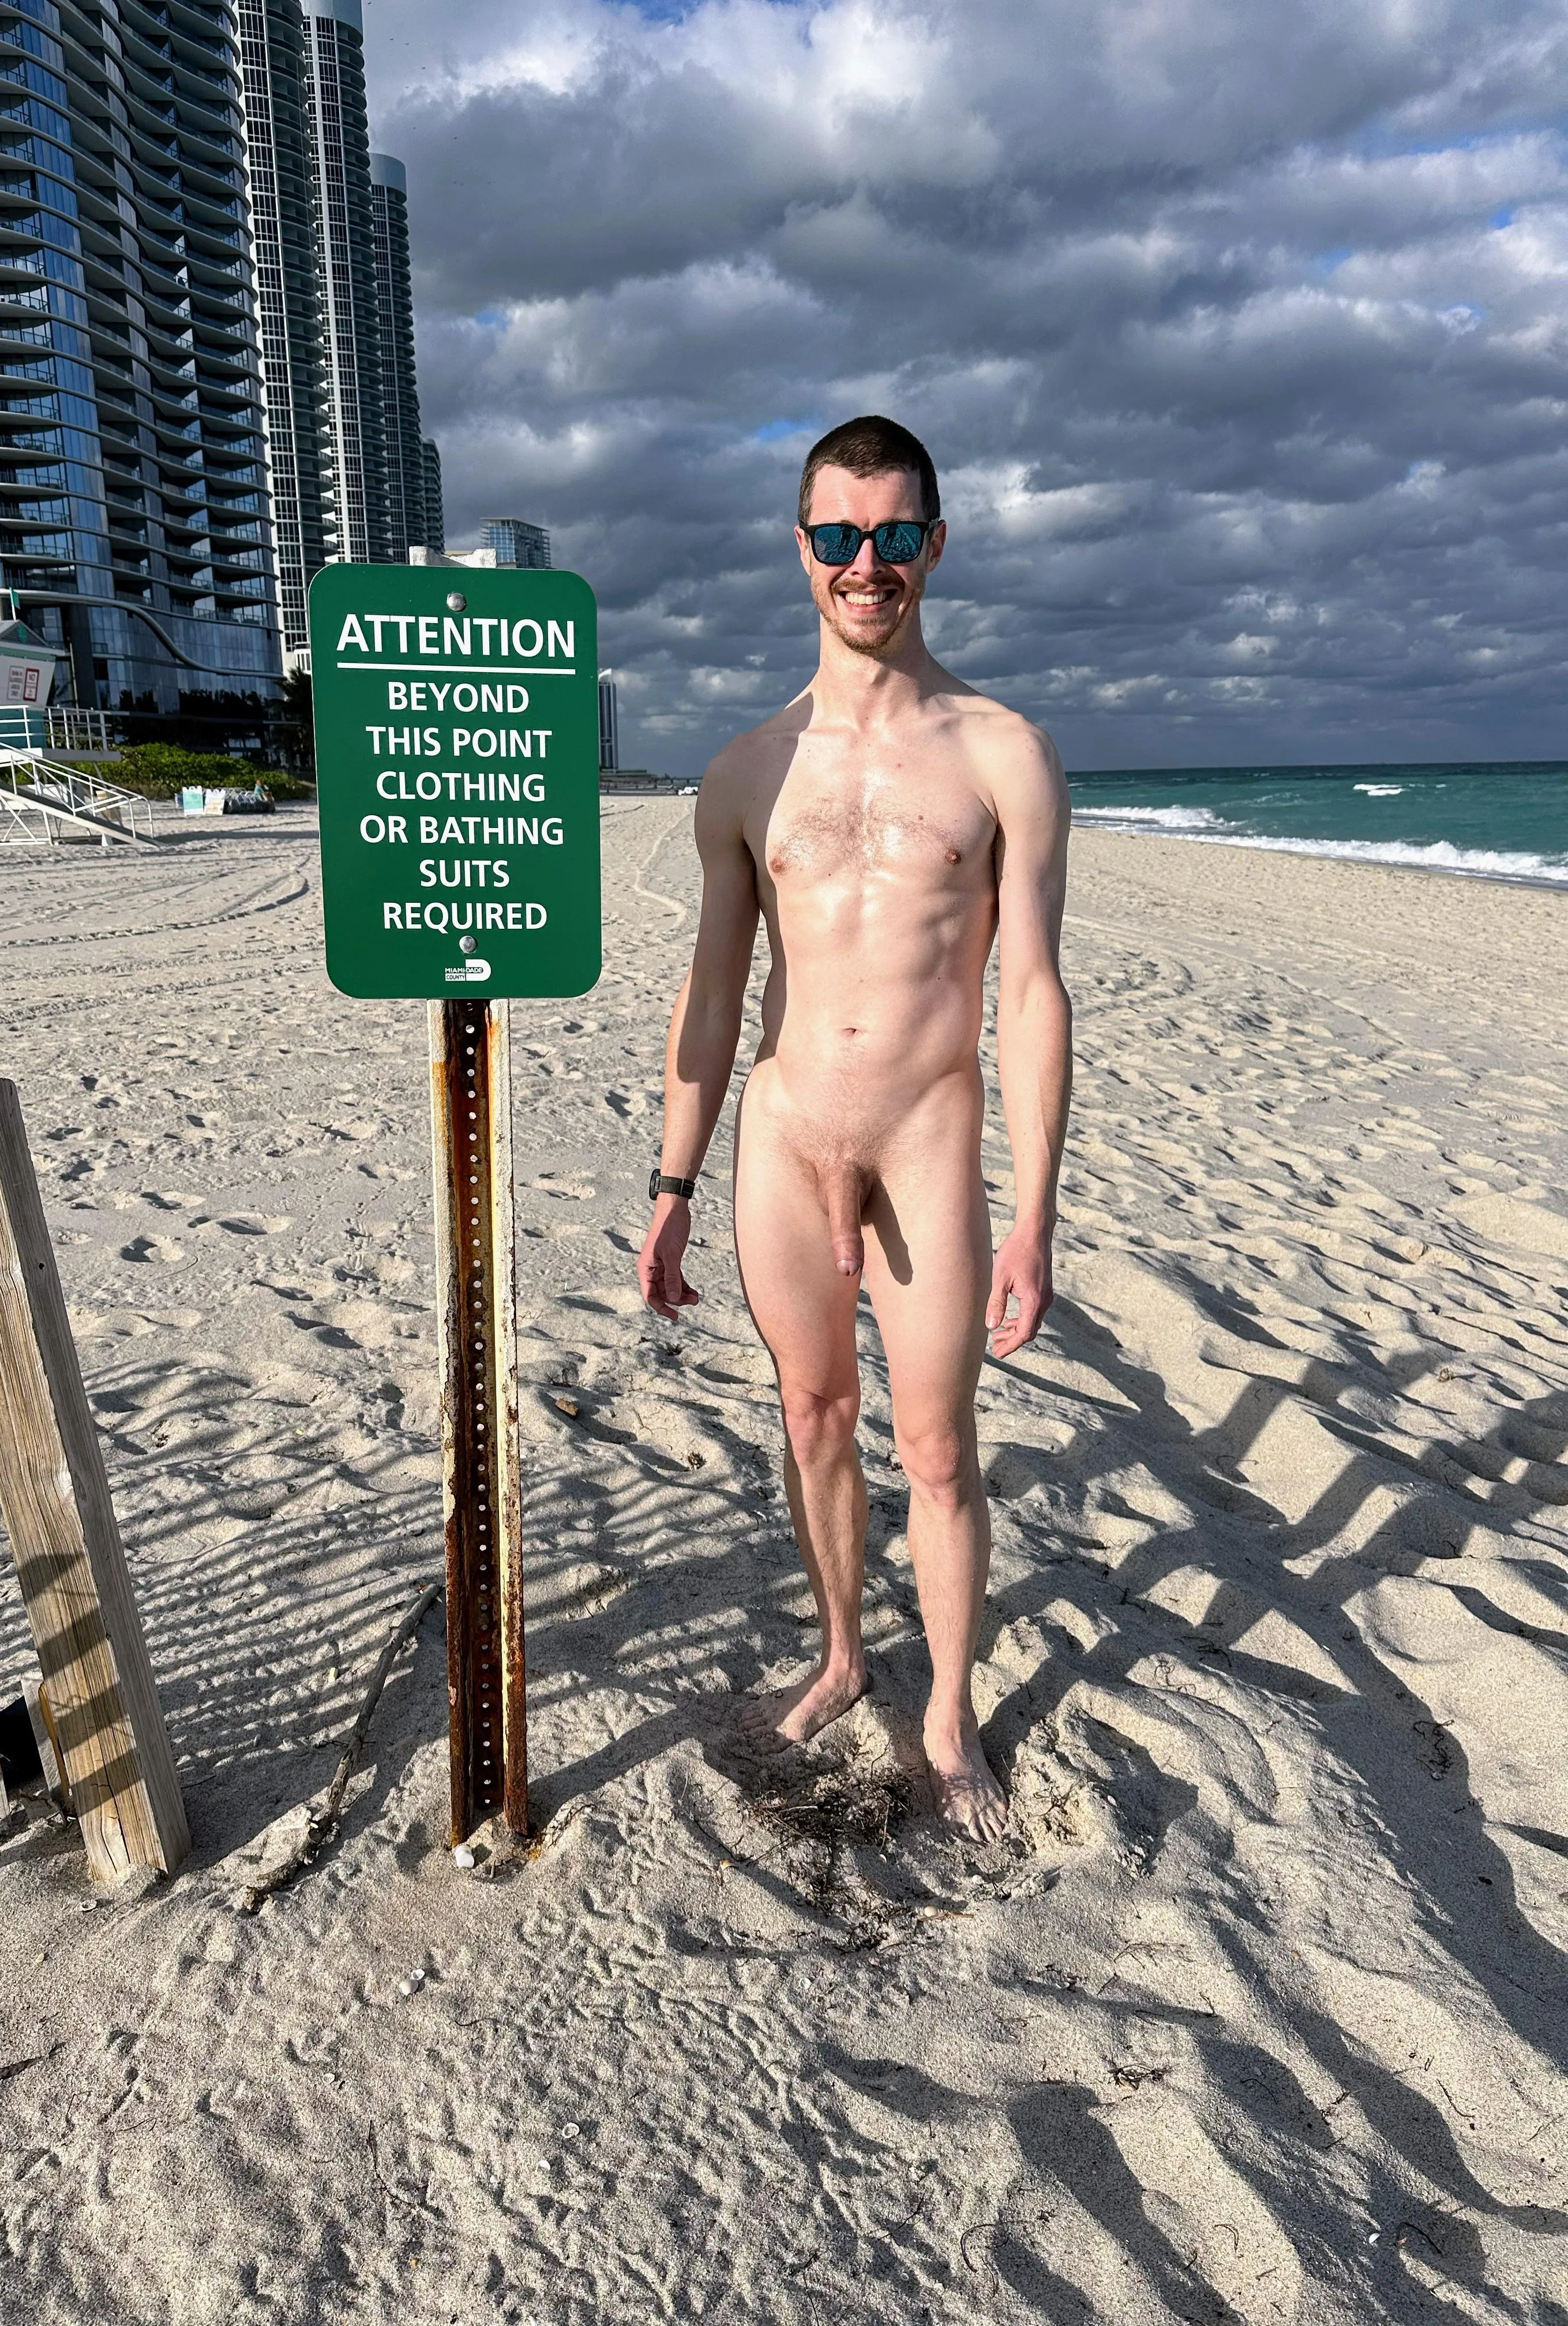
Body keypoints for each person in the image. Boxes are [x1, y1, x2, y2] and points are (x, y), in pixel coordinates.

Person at [636, 415, 1073, 1841]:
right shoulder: (745, 770)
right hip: (782, 1135)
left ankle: (946, 1714)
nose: (866, 564)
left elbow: (1032, 988)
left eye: (892, 536)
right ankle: (841, 1654)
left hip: (928, 1141)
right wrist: (672, 1183)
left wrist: (1037, 1210)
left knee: (938, 1449)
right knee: (812, 1415)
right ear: (803, 552)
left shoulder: (1005, 753)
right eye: (839, 537)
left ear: (934, 545)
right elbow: (715, 992)